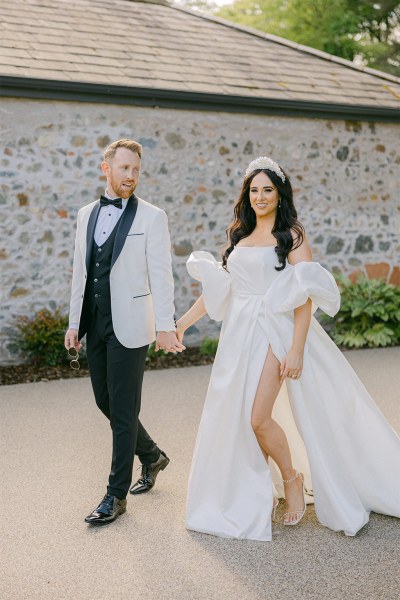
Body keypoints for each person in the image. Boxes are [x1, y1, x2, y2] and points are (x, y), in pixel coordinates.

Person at [176, 156, 400, 541]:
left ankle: (292, 479)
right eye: (254, 190)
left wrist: (295, 349)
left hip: (275, 332)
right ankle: (260, 488)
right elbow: (220, 289)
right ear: (247, 196)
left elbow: (304, 294)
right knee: (236, 418)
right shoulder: (239, 235)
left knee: (258, 417)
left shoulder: (291, 235)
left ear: (280, 195)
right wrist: (180, 324)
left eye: (268, 190)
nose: (260, 196)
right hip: (239, 335)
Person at [65, 138, 184, 526]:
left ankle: (114, 496)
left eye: (136, 169)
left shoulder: (152, 217)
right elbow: (80, 272)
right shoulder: (86, 214)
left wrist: (165, 325)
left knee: (123, 408)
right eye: (124, 168)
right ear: (107, 168)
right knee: (107, 402)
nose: (131, 175)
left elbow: (162, 276)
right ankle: (151, 456)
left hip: (131, 324)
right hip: (96, 321)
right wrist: (73, 322)